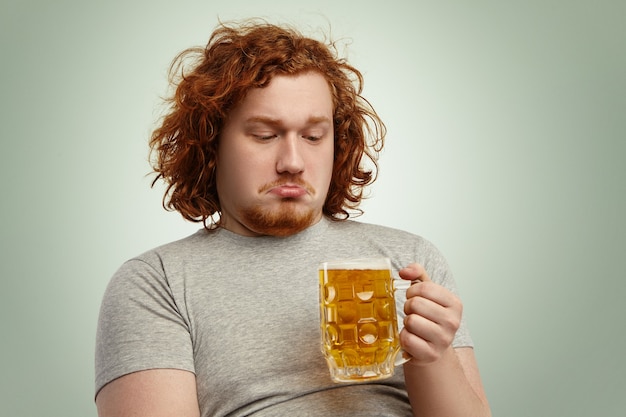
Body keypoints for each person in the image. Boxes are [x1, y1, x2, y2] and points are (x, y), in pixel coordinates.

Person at [95, 19, 491, 417]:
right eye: (265, 135)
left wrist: (432, 356)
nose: (293, 162)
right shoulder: (154, 283)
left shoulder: (410, 259)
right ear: (211, 143)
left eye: (314, 136)